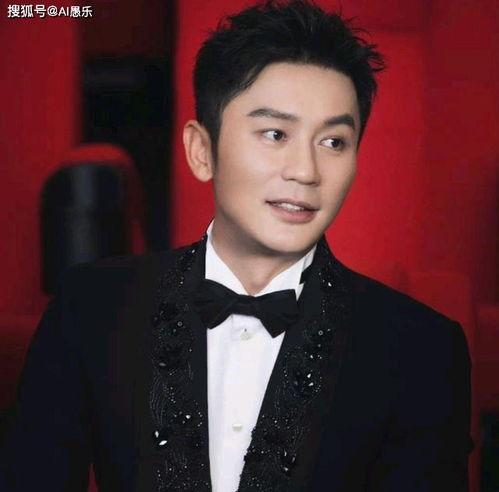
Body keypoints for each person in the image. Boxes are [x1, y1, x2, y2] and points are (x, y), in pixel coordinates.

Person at [0, 1, 473, 491]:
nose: (305, 171)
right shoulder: (92, 307)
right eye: (275, 134)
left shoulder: (420, 349)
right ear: (201, 150)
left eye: (333, 142)